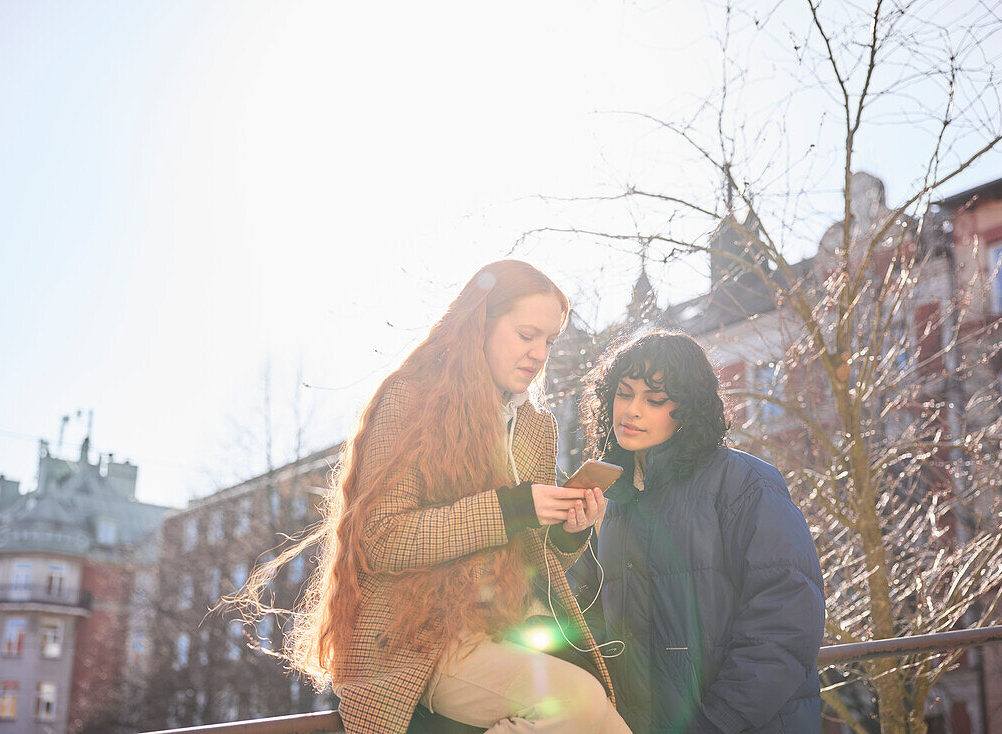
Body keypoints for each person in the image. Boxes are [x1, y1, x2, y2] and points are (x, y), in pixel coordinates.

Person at [239, 260, 631, 734]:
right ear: (479, 325)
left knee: (611, 725)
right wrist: (513, 507)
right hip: (416, 640)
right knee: (578, 701)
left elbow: (528, 565)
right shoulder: (410, 401)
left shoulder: (536, 427)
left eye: (549, 341)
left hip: (504, 631)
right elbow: (381, 539)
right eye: (527, 334)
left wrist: (570, 534)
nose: (538, 353)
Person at [570, 329, 824, 733]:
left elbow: (786, 623)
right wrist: (570, 539)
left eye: (654, 400)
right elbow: (594, 631)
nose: (631, 411)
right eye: (623, 393)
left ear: (688, 408)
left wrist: (715, 724)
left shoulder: (746, 482)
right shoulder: (612, 501)